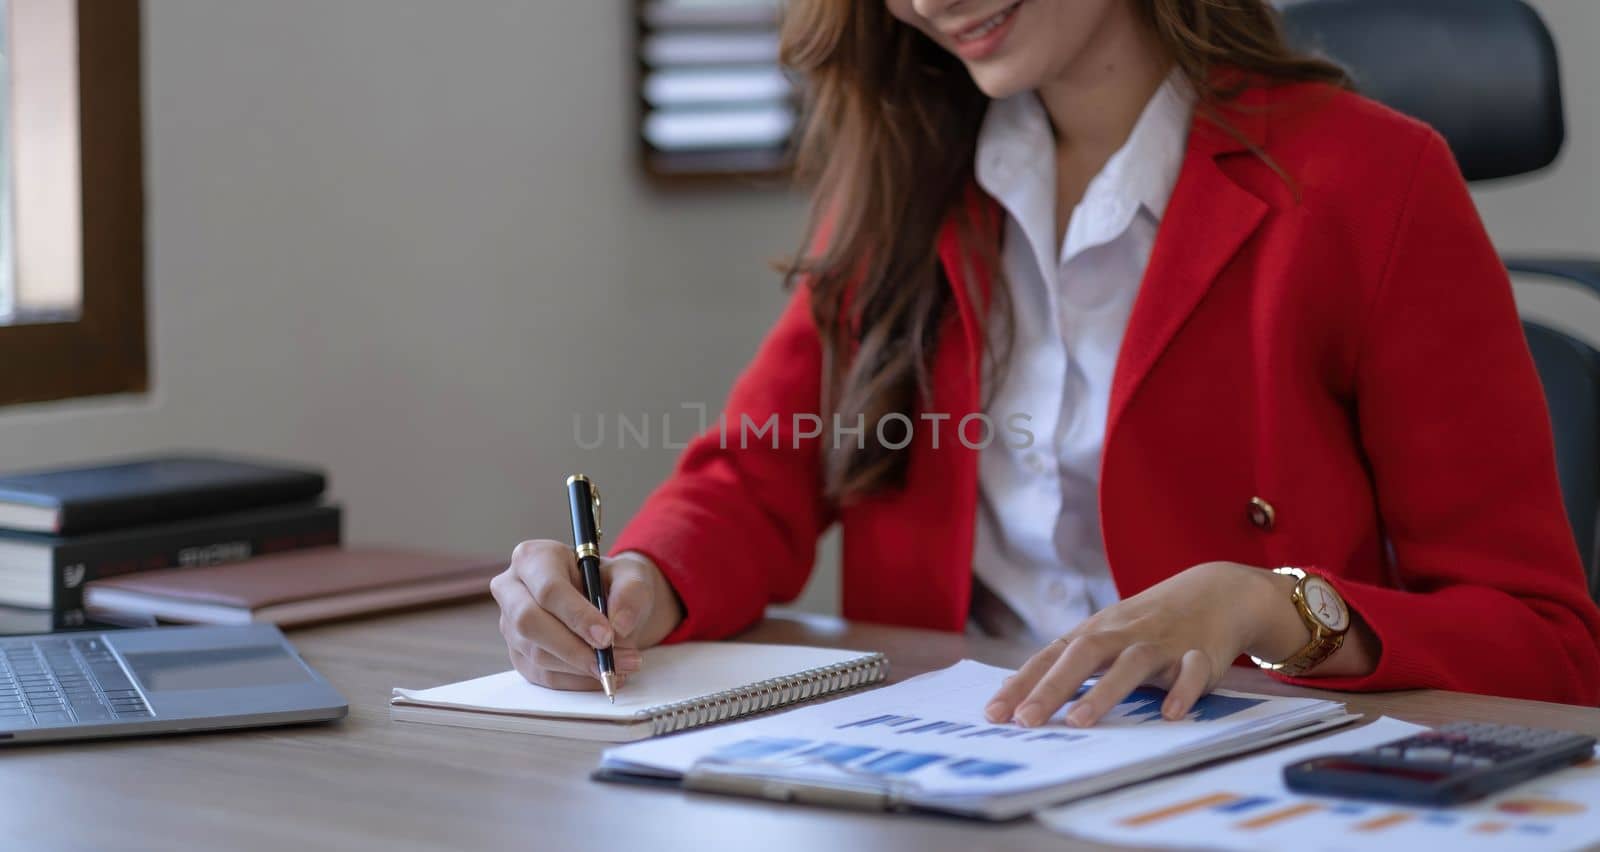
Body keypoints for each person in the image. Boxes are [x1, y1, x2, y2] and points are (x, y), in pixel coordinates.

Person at [492, 0, 1600, 726]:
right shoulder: (905, 173)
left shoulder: (1374, 182)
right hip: (951, 774)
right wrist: (636, 585)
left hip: (1231, 794)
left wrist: (1266, 605)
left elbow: (1545, 643)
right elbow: (756, 475)